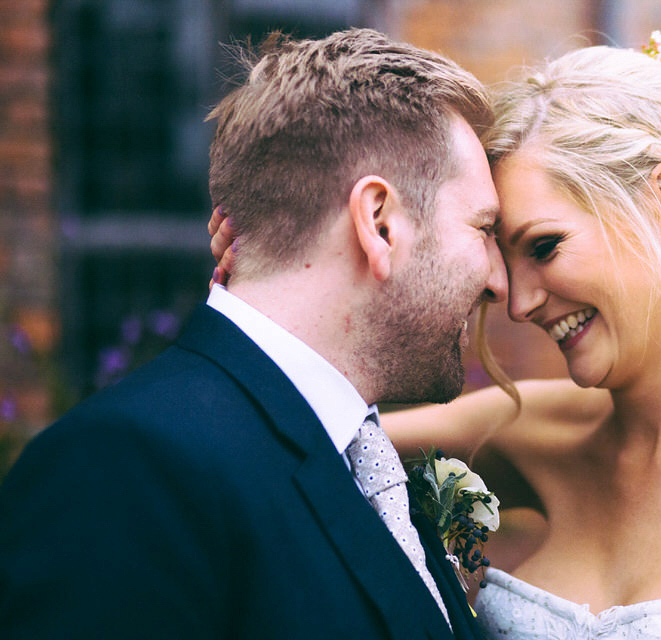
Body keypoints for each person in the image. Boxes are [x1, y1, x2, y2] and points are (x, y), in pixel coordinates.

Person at [209, 36, 661, 639]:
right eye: (501, 254)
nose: (518, 299)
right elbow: (288, 442)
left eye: (544, 247)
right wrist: (268, 276)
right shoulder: (524, 432)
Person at [0, 29, 505, 639]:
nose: (499, 283)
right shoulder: (122, 470)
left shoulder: (359, 461)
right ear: (379, 224)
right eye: (483, 229)